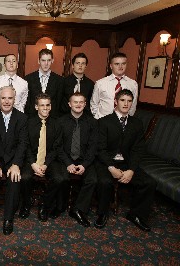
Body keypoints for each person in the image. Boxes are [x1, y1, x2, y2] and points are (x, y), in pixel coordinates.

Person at [94, 89, 156, 231]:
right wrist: (111, 167)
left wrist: (131, 170)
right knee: (105, 182)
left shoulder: (136, 123)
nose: (126, 103)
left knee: (149, 183)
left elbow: (138, 149)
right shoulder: (104, 122)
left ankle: (136, 215)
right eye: (122, 100)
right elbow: (100, 149)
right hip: (106, 162)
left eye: (129, 101)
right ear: (116, 101)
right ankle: (102, 214)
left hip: (127, 162)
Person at [0, 86, 28, 235]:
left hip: (13, 159)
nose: (7, 101)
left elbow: (23, 144)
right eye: (3, 98)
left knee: (15, 180)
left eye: (10, 98)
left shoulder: (22, 118)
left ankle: (8, 218)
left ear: (14, 100)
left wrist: (16, 164)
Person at [19, 93, 62, 221]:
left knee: (59, 178)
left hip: (49, 160)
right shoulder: (28, 122)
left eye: (47, 105)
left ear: (50, 106)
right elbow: (25, 145)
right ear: (36, 107)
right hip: (31, 159)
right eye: (42, 105)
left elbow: (56, 148)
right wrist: (33, 164)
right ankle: (26, 203)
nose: (45, 108)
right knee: (25, 177)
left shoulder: (56, 124)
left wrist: (45, 164)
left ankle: (44, 204)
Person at [57, 92, 98, 227]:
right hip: (65, 159)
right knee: (60, 178)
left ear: (85, 104)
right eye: (75, 102)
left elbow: (93, 147)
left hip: (84, 160)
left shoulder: (92, 122)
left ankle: (78, 209)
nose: (78, 104)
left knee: (92, 179)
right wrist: (68, 163)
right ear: (69, 104)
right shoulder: (61, 121)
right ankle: (60, 206)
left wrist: (85, 165)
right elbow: (57, 147)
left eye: (81, 102)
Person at [90, 52, 138, 119]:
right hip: (103, 121)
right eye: (117, 64)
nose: (120, 67)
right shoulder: (100, 83)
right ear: (111, 66)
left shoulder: (133, 84)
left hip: (123, 123)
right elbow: (94, 104)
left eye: (123, 64)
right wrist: (98, 119)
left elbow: (133, 106)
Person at [24, 48, 63, 118]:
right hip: (33, 119)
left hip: (52, 119)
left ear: (52, 61)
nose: (46, 63)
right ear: (38, 61)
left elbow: (59, 102)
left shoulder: (59, 80)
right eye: (43, 60)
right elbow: (28, 102)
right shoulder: (28, 78)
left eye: (49, 60)